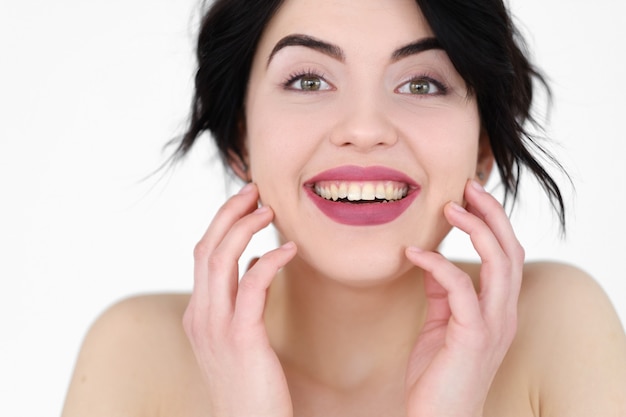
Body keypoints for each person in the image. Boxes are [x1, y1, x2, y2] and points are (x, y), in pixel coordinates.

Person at [61, 0, 626, 415]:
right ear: (241, 140)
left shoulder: (559, 327)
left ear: (483, 148)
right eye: (308, 79)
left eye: (423, 84)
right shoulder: (133, 354)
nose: (364, 129)